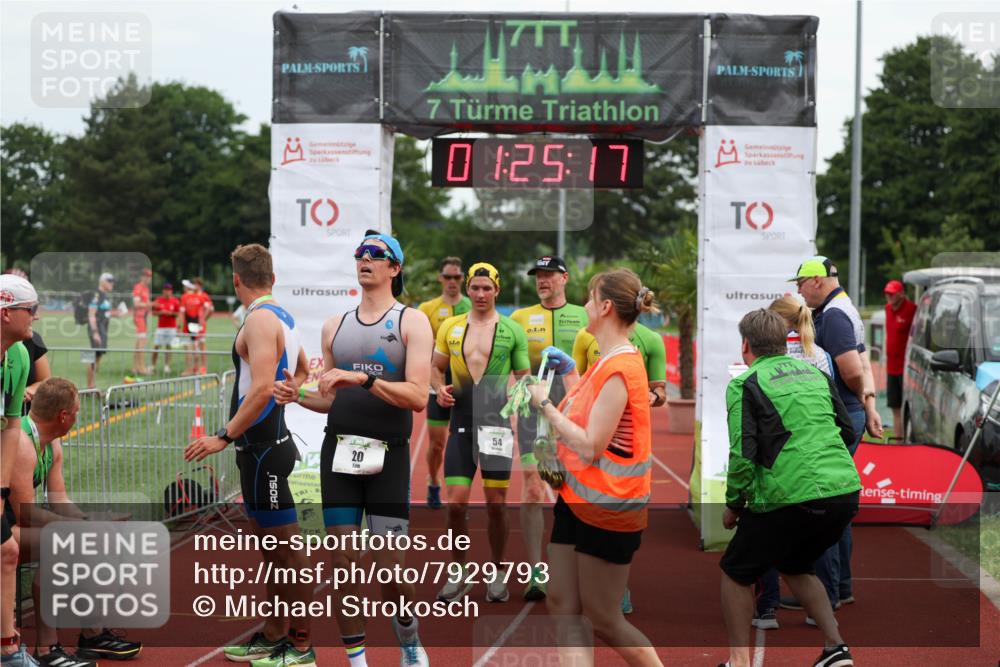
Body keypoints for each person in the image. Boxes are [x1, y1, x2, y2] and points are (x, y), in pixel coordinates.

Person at [274, 233, 432, 667]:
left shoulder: (411, 322)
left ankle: (409, 643)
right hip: (340, 452)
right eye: (360, 254)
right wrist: (295, 395)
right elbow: (329, 399)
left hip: (390, 454)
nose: (365, 260)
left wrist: (363, 379)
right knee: (342, 559)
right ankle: (356, 660)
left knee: (391, 569)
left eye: (376, 255)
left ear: (394, 268)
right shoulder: (335, 325)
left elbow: (418, 397)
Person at [184, 244, 315, 667]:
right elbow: (300, 372)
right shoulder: (283, 316)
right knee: (272, 552)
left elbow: (260, 388)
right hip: (259, 451)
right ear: (272, 277)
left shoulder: (259, 319)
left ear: (236, 280)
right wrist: (291, 387)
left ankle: (301, 644)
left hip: (264, 451)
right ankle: (274, 634)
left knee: (288, 551)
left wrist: (222, 435)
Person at [526, 268, 662, 667]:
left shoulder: (622, 367)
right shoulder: (606, 361)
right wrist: (570, 373)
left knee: (604, 619)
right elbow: (589, 410)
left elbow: (590, 442)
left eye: (589, 297)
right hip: (578, 499)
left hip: (609, 508)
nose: (584, 305)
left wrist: (544, 405)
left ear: (604, 307)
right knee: (561, 601)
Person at [718, 309, 860, 667]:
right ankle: (835, 647)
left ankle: (738, 661)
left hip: (793, 495)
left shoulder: (745, 383)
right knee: (796, 563)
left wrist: (734, 504)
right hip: (844, 490)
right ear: (786, 343)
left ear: (745, 344)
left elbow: (742, 454)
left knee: (735, 573)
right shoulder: (815, 374)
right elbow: (846, 431)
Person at [10, 378, 142, 667]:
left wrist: (89, 520)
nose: (78, 417)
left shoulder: (50, 442)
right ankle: (46, 651)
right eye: (78, 411)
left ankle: (92, 635)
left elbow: (59, 500)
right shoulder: (21, 443)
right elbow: (25, 514)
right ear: (63, 416)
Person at [790, 256, 882, 615]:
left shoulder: (834, 315)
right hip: (851, 413)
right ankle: (840, 588)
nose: (797, 289)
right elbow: (862, 361)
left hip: (839, 416)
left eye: (799, 282)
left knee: (823, 506)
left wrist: (857, 399)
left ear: (816, 280)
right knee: (838, 505)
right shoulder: (844, 307)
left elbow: (852, 367)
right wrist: (868, 405)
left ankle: (825, 595)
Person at [434, 262, 530, 604]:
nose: (479, 293)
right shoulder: (451, 325)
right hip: (460, 422)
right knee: (456, 504)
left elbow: (523, 376)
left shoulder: (511, 330)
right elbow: (436, 367)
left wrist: (519, 403)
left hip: (496, 425)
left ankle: (498, 572)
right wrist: (439, 388)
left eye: (486, 288)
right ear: (468, 290)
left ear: (496, 291)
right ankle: (458, 574)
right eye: (474, 287)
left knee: (496, 505)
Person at [749, 296, 835, 631]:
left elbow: (751, 399)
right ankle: (819, 609)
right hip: (817, 458)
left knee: (767, 530)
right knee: (817, 538)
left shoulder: (766, 356)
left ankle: (766, 609)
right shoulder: (821, 356)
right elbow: (834, 407)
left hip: (779, 458)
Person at [572, 317, 667, 615]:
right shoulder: (585, 338)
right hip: (593, 428)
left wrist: (644, 396)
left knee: (617, 514)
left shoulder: (651, 340)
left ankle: (618, 587)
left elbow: (661, 392)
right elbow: (577, 385)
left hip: (625, 441)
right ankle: (591, 587)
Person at [510, 255, 588, 601]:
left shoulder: (585, 316)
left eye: (549, 275)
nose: (543, 280)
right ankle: (535, 572)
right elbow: (512, 366)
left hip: (574, 411)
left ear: (565, 278)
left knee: (575, 489)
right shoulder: (519, 318)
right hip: (533, 414)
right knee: (531, 489)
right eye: (538, 275)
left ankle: (579, 566)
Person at [0, 274, 39, 667]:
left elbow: (12, 427)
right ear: (6, 312)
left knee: (7, 551)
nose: (36, 318)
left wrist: (0, 493)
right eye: (31, 310)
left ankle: (7, 648)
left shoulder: (20, 356)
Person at [417, 257, 471, 509]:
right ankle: (433, 480)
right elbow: (419, 346)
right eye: (448, 277)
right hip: (436, 381)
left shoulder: (473, 306)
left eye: (457, 277)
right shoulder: (427, 309)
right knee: (437, 444)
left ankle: (459, 497)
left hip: (465, 384)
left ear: (462, 280)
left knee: (463, 441)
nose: (452, 282)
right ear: (441, 279)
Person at [883, 280, 916, 434]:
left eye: (892, 293)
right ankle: (898, 441)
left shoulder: (912, 309)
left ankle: (908, 439)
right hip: (891, 367)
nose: (888, 296)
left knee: (907, 406)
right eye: (887, 293)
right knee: (895, 407)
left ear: (901, 294)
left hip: (906, 367)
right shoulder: (887, 309)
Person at [85, 273, 123, 389]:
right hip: (97, 329)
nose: (112, 283)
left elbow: (104, 312)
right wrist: (95, 332)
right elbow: (91, 314)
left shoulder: (104, 296)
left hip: (103, 329)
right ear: (102, 282)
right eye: (109, 281)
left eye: (112, 281)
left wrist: (116, 313)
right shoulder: (97, 295)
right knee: (94, 357)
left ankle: (92, 386)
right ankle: (90, 387)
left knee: (98, 357)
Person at [151, 283, 181, 375]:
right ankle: (153, 365)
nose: (167, 292)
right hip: (161, 327)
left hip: (171, 326)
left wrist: (169, 313)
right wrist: (161, 312)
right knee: (156, 346)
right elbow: (153, 313)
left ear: (171, 291)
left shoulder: (175, 301)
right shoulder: (158, 300)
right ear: (163, 291)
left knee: (169, 346)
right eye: (166, 290)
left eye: (169, 290)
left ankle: (167, 365)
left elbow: (177, 314)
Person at [22, 332, 50, 415]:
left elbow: (45, 381)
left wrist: (30, 389)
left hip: (24, 417)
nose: (36, 318)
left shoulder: (33, 338)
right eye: (28, 317)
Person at [131, 268, 152, 376]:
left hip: (144, 317)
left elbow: (146, 302)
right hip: (139, 317)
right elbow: (137, 304)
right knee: (141, 343)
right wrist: (150, 305)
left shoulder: (146, 289)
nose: (149, 279)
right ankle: (141, 367)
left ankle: (135, 367)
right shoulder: (138, 287)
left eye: (149, 276)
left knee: (139, 343)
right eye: (147, 276)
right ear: (142, 277)